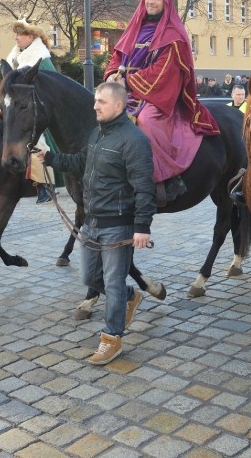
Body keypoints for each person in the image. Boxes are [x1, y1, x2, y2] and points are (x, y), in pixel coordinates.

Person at [44, 82, 156, 365]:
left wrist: (141, 226)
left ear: (118, 106)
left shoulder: (135, 140)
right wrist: (48, 158)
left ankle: (112, 338)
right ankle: (131, 297)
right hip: (91, 222)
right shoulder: (96, 134)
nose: (95, 106)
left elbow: (145, 188)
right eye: (95, 101)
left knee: (113, 283)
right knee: (89, 279)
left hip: (118, 225)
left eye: (101, 102)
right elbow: (79, 162)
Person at [105, 0, 220, 204]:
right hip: (125, 90)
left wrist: (128, 81)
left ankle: (161, 180)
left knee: (147, 121)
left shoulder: (173, 35)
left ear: (166, 2)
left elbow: (164, 72)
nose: (152, 1)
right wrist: (112, 75)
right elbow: (116, 57)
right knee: (99, 115)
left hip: (158, 95)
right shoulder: (133, 29)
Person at [4, 18, 58, 203]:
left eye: (20, 34)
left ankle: (46, 185)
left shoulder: (41, 58)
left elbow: (51, 86)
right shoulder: (18, 56)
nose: (16, 38)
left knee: (39, 144)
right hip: (20, 109)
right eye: (16, 34)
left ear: (31, 37)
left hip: (37, 110)